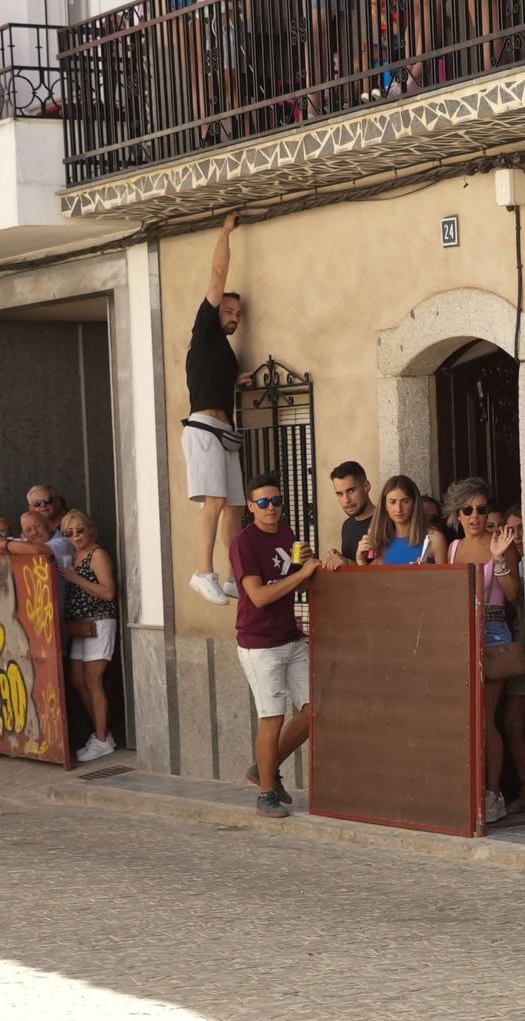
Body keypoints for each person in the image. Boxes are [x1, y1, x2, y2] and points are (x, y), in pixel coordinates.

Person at [231, 473, 320, 818]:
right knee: (272, 717)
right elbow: (258, 595)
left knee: (316, 708)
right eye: (264, 502)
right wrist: (300, 574)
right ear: (251, 507)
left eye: (277, 501)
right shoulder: (243, 543)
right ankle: (266, 791)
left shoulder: (286, 534)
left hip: (291, 637)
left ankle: (263, 768)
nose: (272, 508)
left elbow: (293, 587)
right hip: (259, 643)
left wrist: (306, 566)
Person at [181, 212, 254, 606]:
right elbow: (217, 274)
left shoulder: (221, 353)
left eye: (238, 315)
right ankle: (202, 572)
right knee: (214, 501)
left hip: (224, 434)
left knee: (237, 505)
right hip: (204, 430)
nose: (234, 317)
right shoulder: (204, 330)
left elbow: (213, 380)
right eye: (229, 311)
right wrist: (225, 231)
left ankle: (232, 575)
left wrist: (236, 381)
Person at [444, 477, 521, 825]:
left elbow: (512, 593)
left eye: (482, 509)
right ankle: (470, 791)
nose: (475, 516)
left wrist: (498, 558)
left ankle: (493, 796)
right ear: (457, 514)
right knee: (466, 718)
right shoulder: (453, 548)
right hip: (462, 632)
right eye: (468, 510)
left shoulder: (501, 542)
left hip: (493, 631)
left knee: (486, 719)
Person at [58, 510, 120, 763]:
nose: (76, 536)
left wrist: (75, 578)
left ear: (90, 528)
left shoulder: (98, 554)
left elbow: (108, 593)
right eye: (68, 532)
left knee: (93, 680)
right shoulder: (73, 555)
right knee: (77, 679)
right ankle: (101, 733)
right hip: (79, 625)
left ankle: (103, 739)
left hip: (99, 621)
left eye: (80, 529)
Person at [497, 502, 525, 814]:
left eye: (521, 528)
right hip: (513, 650)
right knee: (510, 721)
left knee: (513, 721)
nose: (517, 535)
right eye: (512, 530)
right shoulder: (508, 563)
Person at [358, 475, 447, 565]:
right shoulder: (382, 541)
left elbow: (445, 578)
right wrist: (361, 560)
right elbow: (372, 578)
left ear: (414, 503)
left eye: (405, 501)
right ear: (385, 505)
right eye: (392, 502)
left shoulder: (434, 539)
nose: (398, 509)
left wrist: (425, 573)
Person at [321, 461, 376, 569]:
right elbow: (352, 570)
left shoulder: (385, 521)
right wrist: (339, 558)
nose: (346, 500)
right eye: (340, 494)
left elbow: (388, 575)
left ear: (366, 486)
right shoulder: (347, 525)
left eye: (351, 491)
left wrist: (348, 564)